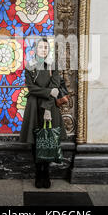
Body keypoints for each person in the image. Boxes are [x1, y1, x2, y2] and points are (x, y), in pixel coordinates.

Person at [19, 38, 66, 189]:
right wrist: (47, 92)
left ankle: (46, 173)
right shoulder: (30, 66)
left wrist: (47, 108)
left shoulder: (53, 65)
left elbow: (56, 86)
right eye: (41, 47)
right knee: (36, 139)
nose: (43, 50)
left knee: (49, 139)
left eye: (46, 47)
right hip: (34, 107)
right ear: (36, 49)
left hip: (50, 107)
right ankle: (38, 173)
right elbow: (31, 88)